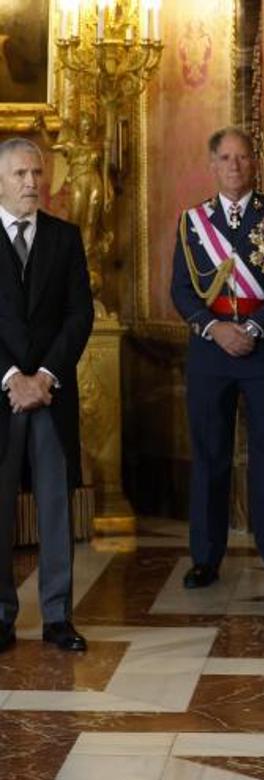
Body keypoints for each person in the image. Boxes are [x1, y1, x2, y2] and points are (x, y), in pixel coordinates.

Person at [170, 127, 264, 591]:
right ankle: (205, 557)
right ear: (212, 165)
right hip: (210, 352)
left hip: (261, 349)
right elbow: (182, 291)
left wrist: (251, 328)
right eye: (225, 158)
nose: (234, 166)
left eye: (242, 158)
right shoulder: (193, 222)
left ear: (254, 164)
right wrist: (216, 329)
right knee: (210, 456)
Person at [0, 137, 94, 652]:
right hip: (3, 394)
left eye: (37, 172)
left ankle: (58, 617)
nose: (31, 182)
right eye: (19, 174)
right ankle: (2, 616)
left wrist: (45, 377)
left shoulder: (65, 237)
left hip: (51, 395)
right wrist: (12, 376)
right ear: (0, 180)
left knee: (56, 507)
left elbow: (81, 314)